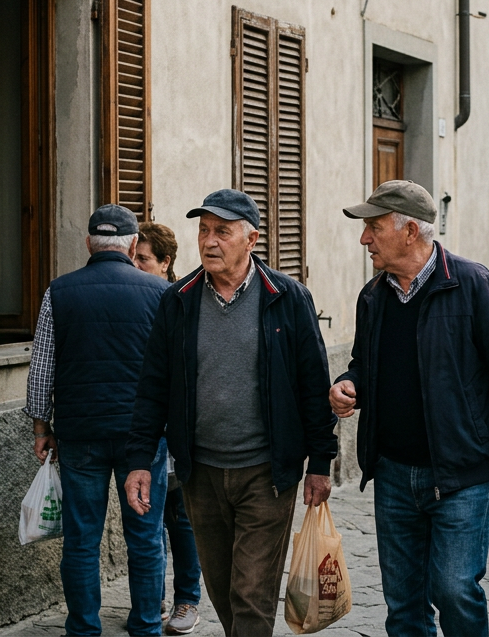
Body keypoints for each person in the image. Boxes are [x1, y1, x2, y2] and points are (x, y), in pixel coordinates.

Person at [329, 180, 489, 637]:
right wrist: (350, 385)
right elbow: (364, 366)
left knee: (453, 589)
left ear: (410, 232)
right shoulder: (373, 296)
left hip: (461, 472)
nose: (364, 239)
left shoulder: (473, 285)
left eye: (374, 227)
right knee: (403, 602)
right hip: (392, 473)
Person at [124, 189, 337, 637]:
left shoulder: (287, 297)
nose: (209, 241)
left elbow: (313, 387)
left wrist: (320, 462)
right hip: (200, 473)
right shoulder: (177, 300)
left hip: (266, 473)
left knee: (251, 595)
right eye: (204, 230)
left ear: (251, 239)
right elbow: (153, 387)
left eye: (222, 231)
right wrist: (140, 459)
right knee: (222, 591)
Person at [25, 204, 170, 637]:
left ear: (88, 243)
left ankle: (84, 629)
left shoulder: (59, 291)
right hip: (141, 440)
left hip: (80, 435)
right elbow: (173, 369)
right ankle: (146, 626)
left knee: (82, 539)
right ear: (130, 246)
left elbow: (41, 369)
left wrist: (40, 426)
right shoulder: (160, 293)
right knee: (145, 537)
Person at [133, 222, 201, 636]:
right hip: (146, 427)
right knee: (151, 518)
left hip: (177, 430)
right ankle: (155, 597)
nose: (136, 265)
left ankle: (188, 599)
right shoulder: (137, 297)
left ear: (165, 263)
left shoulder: (180, 302)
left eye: (143, 259)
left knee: (181, 517)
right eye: (133, 257)